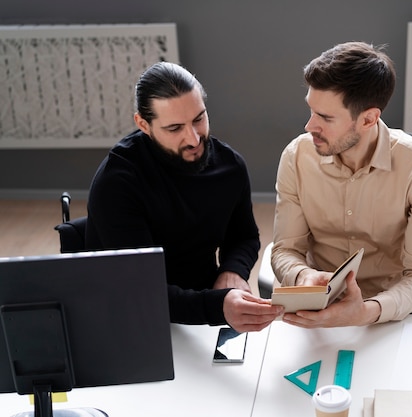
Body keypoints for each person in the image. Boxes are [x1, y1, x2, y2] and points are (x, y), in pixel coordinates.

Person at [86, 62, 283, 332]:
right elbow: (140, 287)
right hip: (129, 311)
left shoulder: (230, 166)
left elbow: (244, 236)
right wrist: (217, 307)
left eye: (199, 119)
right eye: (175, 128)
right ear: (144, 124)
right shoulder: (117, 182)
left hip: (203, 303)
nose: (193, 139)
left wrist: (232, 271)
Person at [271, 42, 412, 328]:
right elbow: (285, 250)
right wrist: (303, 276)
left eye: (326, 118)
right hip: (319, 303)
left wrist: (367, 311)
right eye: (312, 110)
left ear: (368, 119)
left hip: (394, 306)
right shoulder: (296, 157)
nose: (309, 126)